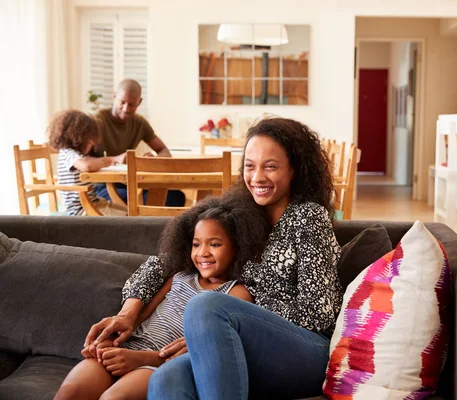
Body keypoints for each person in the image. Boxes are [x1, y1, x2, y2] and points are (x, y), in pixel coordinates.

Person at [84, 117, 343, 399]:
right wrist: (128, 314)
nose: (257, 177)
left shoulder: (308, 217)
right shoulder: (239, 212)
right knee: (166, 378)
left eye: (270, 166)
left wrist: (219, 328)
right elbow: (163, 262)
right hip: (241, 339)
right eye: (249, 166)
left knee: (206, 306)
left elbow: (318, 315)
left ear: (294, 170)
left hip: (307, 350)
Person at [55, 192, 270, 400]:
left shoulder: (236, 291)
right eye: (196, 244)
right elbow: (142, 317)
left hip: (159, 362)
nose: (202, 252)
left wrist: (141, 358)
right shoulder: (179, 276)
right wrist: (111, 341)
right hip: (127, 349)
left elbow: (208, 345)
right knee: (72, 390)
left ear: (238, 248)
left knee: (114, 398)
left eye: (214, 244)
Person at [91, 79, 185, 207]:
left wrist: (154, 160)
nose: (126, 108)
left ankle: (154, 226)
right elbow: (82, 160)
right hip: (103, 185)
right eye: (122, 102)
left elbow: (164, 150)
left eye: (131, 105)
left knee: (175, 197)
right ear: (114, 97)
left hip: (131, 183)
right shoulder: (97, 121)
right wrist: (113, 159)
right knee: (141, 201)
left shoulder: (139, 123)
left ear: (139, 102)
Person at [48, 109, 127, 216]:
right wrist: (109, 160)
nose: (92, 145)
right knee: (126, 219)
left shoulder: (75, 154)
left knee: (128, 212)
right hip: (82, 209)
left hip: (93, 202)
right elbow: (87, 165)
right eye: (90, 142)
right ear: (77, 137)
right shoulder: (68, 154)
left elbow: (89, 162)